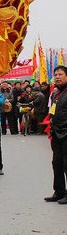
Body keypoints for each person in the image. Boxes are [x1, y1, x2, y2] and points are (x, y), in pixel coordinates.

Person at [44, 65, 67, 204]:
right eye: (56, 74)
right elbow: (52, 111)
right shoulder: (54, 93)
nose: (57, 77)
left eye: (60, 74)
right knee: (56, 163)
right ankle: (59, 192)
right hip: (56, 132)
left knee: (66, 164)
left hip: (66, 133)